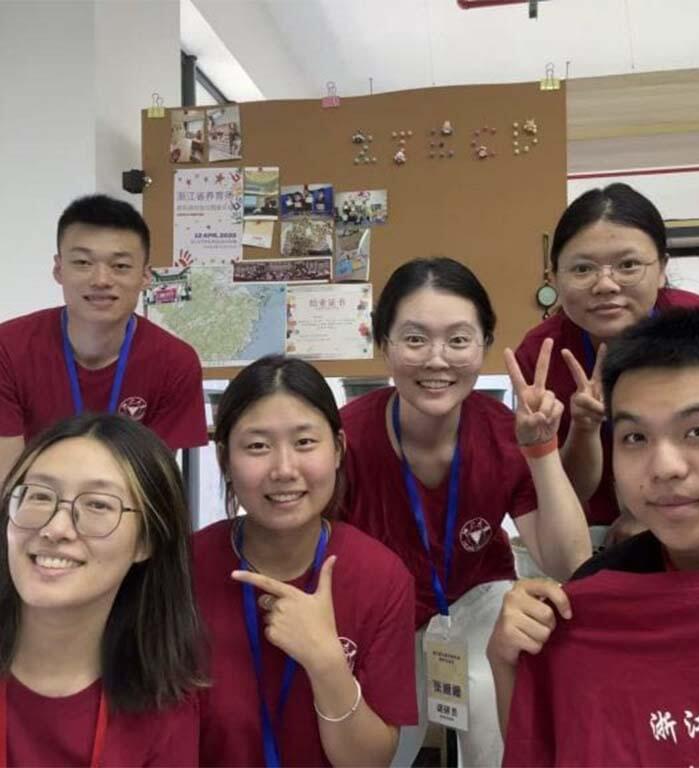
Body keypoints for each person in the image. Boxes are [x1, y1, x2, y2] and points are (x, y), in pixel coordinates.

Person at [340, 257, 590, 767]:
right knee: (373, 748)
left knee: (491, 704)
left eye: (458, 340)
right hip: (380, 616)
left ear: (483, 346)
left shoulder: (503, 429)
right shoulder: (346, 437)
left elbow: (569, 562)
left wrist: (542, 450)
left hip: (477, 604)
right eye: (415, 340)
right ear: (384, 346)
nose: (438, 360)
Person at [493, 308, 699, 766]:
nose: (664, 468)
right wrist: (506, 663)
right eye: (635, 438)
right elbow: (550, 749)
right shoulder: (597, 598)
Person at [193, 355, 418, 767]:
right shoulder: (184, 569)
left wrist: (326, 662)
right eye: (258, 446)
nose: (283, 469)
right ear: (225, 460)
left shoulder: (381, 578)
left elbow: (369, 763)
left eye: (304, 442)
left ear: (338, 449)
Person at [515, 183, 699, 542]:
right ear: (554, 276)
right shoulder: (541, 353)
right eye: (583, 269)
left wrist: (652, 516)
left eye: (628, 265)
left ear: (662, 267)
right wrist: (584, 427)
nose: (606, 285)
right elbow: (559, 487)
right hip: (598, 535)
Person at [0, 412, 205, 766]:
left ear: (146, 541)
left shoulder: (163, 709)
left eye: (97, 504)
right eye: (38, 496)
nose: (56, 527)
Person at [0, 194, 208, 483]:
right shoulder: (8, 348)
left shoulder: (175, 363)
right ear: (59, 269)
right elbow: (7, 483)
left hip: (121, 514)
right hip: (31, 515)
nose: (101, 280)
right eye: (83, 262)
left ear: (145, 276)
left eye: (120, 266)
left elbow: (148, 483)